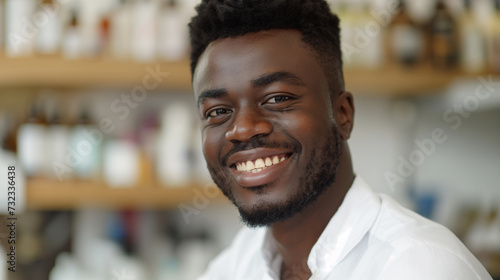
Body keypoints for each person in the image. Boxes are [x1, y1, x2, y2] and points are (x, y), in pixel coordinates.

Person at [188, 0, 492, 279]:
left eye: (278, 98)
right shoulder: (240, 262)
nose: (242, 130)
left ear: (343, 114)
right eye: (217, 112)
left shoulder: (419, 267)